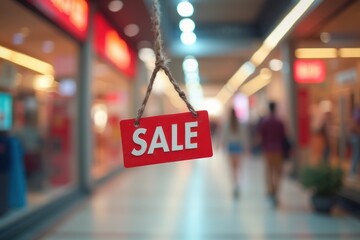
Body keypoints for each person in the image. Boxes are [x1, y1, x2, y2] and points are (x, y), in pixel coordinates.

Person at [259, 101, 286, 206]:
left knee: (268, 171)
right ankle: (275, 190)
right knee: (278, 172)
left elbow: (261, 136)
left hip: (267, 150)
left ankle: (270, 191)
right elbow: (284, 136)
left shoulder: (264, 122)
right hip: (278, 149)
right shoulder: (280, 122)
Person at [222, 107, 245, 199]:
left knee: (232, 168)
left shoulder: (227, 124)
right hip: (238, 147)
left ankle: (235, 185)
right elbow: (243, 135)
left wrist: (223, 145)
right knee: (238, 167)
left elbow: (224, 136)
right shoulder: (239, 124)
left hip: (231, 147)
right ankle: (237, 184)